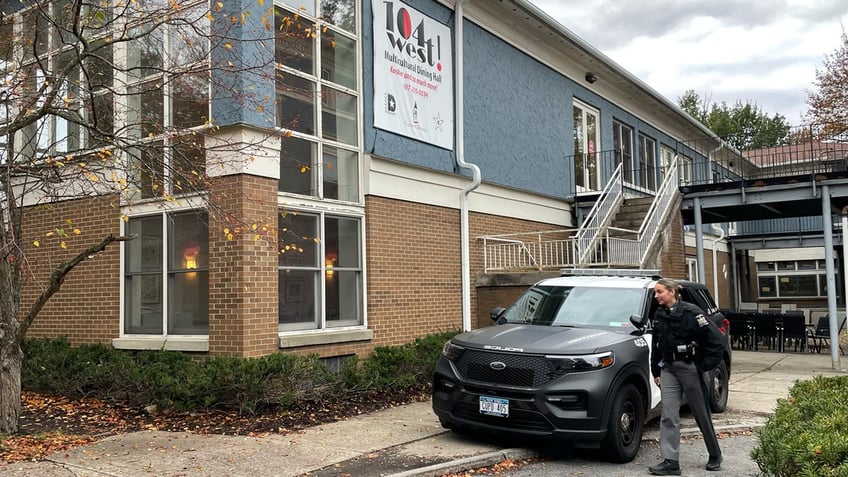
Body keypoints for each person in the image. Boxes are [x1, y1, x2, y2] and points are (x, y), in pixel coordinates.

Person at [648, 278, 725, 476]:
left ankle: (715, 454)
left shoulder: (692, 313)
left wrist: (704, 366)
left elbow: (717, 341)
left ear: (672, 292)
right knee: (668, 415)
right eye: (655, 292)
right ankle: (670, 462)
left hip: (690, 368)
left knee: (700, 413)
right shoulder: (659, 314)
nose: (656, 296)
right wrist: (655, 371)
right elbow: (657, 344)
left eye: (659, 292)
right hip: (668, 369)